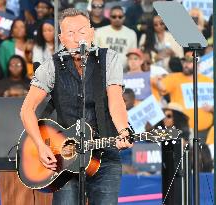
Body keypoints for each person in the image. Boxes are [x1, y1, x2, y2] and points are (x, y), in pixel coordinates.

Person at [20, 8, 133, 205]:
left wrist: (123, 130)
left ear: (91, 33)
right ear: (61, 38)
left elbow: (116, 100)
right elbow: (26, 110)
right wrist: (40, 145)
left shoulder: (109, 59)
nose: (77, 38)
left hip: (104, 154)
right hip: (66, 155)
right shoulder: (50, 66)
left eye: (82, 32)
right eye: (70, 33)